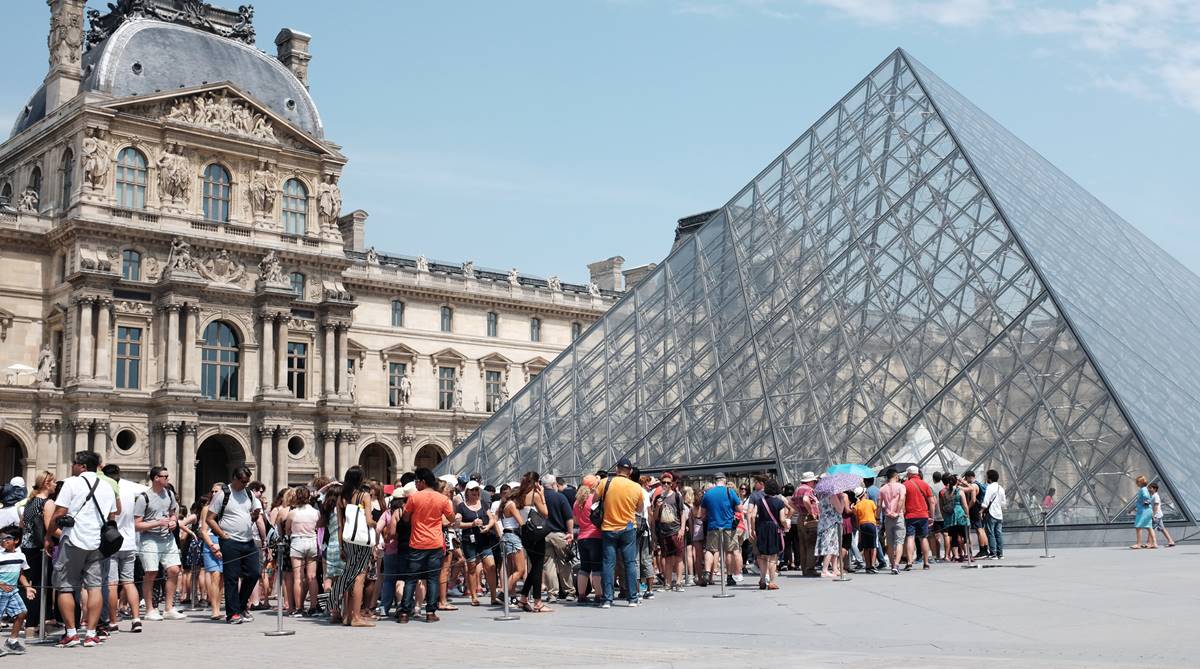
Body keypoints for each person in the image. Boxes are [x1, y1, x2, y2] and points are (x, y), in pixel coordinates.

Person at [47, 450, 118, 648]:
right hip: (98, 542)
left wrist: (48, 535)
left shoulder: (71, 482)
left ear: (82, 466)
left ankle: (71, 633)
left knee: (65, 586)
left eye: (74, 464)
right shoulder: (107, 486)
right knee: (94, 587)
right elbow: (113, 516)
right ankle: (91, 633)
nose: (72, 467)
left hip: (74, 539)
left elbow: (59, 513)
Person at [204, 465, 265, 624]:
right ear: (235, 479)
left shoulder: (249, 493)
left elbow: (250, 516)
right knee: (231, 577)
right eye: (243, 481)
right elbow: (209, 519)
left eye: (247, 481)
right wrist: (223, 535)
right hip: (230, 541)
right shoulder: (223, 494)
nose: (245, 484)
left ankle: (240, 605)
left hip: (248, 540)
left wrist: (254, 515)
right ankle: (232, 614)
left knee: (253, 573)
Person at [398, 467, 454, 623]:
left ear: (423, 482)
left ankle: (404, 613)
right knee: (432, 579)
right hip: (435, 543)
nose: (415, 484)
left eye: (417, 481)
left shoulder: (414, 498)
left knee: (411, 579)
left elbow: (406, 518)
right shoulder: (442, 499)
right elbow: (451, 518)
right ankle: (430, 613)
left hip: (417, 542)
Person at [135, 466, 186, 621]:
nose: (168, 478)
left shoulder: (169, 494)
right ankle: (150, 609)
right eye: (165, 476)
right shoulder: (144, 497)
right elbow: (137, 525)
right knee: (151, 572)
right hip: (149, 538)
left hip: (167, 537)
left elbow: (173, 514)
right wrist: (157, 523)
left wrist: (172, 521)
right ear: (156, 478)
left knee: (174, 570)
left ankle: (169, 608)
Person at [330, 467, 374, 627]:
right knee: (359, 577)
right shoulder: (364, 496)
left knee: (349, 576)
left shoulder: (341, 497)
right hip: (361, 542)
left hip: (347, 540)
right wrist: (376, 524)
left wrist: (341, 546)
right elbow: (369, 520)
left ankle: (347, 615)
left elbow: (341, 525)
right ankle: (356, 616)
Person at [598, 458, 644, 608]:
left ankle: (607, 599)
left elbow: (594, 501)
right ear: (630, 471)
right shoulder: (636, 487)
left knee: (608, 564)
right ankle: (632, 598)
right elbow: (639, 509)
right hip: (628, 528)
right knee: (630, 563)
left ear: (617, 469)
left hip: (608, 528)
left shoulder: (605, 483)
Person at [19, 471, 55, 634]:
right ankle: (36, 623)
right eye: (53, 482)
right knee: (42, 586)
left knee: (29, 585)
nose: (55, 485)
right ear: (47, 484)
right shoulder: (47, 503)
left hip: (26, 547)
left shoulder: (30, 501)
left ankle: (28, 622)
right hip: (40, 548)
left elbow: (22, 524)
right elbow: (50, 528)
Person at [455, 481, 497, 607]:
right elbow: (457, 524)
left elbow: (492, 519)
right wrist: (472, 524)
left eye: (476, 490)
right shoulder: (461, 507)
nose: (475, 492)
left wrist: (488, 526)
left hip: (484, 540)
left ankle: (493, 596)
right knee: (472, 567)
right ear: (467, 492)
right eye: (472, 490)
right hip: (469, 540)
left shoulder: (483, 504)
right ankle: (473, 596)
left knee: (491, 566)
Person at [698, 472, 742, 588]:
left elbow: (701, 513)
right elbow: (739, 509)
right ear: (724, 480)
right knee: (729, 551)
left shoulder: (708, 494)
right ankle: (729, 576)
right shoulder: (730, 492)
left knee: (710, 550)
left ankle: (707, 573)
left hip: (713, 526)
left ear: (715, 480)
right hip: (728, 526)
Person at [539, 473, 575, 602]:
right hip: (559, 534)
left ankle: (552, 594)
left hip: (544, 534)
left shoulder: (539, 498)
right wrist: (570, 533)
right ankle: (569, 591)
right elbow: (569, 517)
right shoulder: (560, 497)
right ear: (554, 484)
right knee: (565, 562)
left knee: (549, 565)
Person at [286, 486, 321, 615]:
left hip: (297, 542)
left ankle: (299, 608)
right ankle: (313, 607)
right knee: (312, 576)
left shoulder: (293, 513)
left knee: (298, 577)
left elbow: (287, 529)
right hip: (311, 541)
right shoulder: (315, 512)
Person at [0, 531, 35, 655]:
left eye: (7, 538)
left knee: (21, 613)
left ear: (16, 540)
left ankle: (12, 641)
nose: (4, 541)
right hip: (0, 592)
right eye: (2, 539)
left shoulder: (21, 556)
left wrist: (27, 587)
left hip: (13, 591)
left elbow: (21, 574)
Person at [750, 478, 788, 589]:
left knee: (762, 556)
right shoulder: (779, 502)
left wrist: (753, 529)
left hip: (761, 528)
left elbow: (752, 516)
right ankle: (771, 581)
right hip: (773, 529)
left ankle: (762, 579)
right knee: (772, 556)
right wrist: (786, 525)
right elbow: (782, 519)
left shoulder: (759, 501)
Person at [653, 471, 685, 591]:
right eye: (663, 482)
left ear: (672, 484)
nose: (666, 484)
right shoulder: (658, 497)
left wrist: (682, 529)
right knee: (666, 558)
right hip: (663, 531)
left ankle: (679, 581)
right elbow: (655, 517)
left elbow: (682, 513)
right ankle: (667, 583)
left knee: (678, 557)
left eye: (668, 483)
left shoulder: (677, 496)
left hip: (675, 530)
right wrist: (658, 507)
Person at [572, 476, 602, 602]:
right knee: (596, 567)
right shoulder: (594, 500)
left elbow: (575, 521)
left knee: (584, 567)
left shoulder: (577, 502)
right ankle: (599, 595)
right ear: (594, 486)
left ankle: (581, 595)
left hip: (582, 537)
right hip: (595, 536)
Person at [902, 466, 935, 571]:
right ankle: (926, 563)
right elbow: (932, 502)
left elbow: (902, 501)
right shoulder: (925, 484)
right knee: (923, 538)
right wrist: (932, 516)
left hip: (910, 515)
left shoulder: (905, 485)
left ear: (909, 474)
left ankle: (909, 562)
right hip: (923, 515)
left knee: (910, 538)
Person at [877, 469, 906, 575]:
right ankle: (897, 565)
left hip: (887, 518)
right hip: (898, 517)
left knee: (889, 543)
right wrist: (897, 512)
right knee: (899, 542)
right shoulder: (901, 486)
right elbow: (902, 499)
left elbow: (879, 504)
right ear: (896, 476)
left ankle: (892, 564)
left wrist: (877, 518)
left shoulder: (882, 489)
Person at [791, 472, 820, 577]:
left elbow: (790, 502)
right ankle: (810, 568)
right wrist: (811, 512)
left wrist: (799, 510)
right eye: (814, 481)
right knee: (811, 544)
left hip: (801, 518)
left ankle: (804, 568)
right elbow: (805, 499)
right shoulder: (808, 489)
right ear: (810, 481)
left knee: (802, 545)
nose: (815, 483)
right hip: (809, 519)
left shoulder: (798, 489)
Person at [939, 474, 969, 561]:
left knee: (954, 536)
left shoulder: (945, 493)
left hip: (950, 516)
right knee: (965, 536)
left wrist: (944, 516)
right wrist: (967, 515)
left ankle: (956, 555)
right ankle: (967, 554)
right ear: (956, 482)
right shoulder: (959, 491)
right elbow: (965, 505)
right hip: (960, 515)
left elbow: (942, 506)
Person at [962, 470, 989, 559]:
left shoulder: (973, 486)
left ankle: (982, 551)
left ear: (969, 477)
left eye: (966, 478)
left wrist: (967, 508)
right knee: (981, 529)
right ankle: (985, 549)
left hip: (974, 509)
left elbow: (973, 500)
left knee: (979, 530)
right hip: (979, 508)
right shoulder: (978, 484)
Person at [981, 469, 1007, 559]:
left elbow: (986, 501)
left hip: (991, 513)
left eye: (986, 476)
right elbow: (1003, 503)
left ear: (989, 478)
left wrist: (981, 510)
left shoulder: (990, 487)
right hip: (999, 514)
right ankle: (1000, 554)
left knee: (991, 533)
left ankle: (993, 553)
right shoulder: (1001, 488)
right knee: (998, 533)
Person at [853, 486, 879, 574]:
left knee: (866, 547)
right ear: (864, 494)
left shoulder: (856, 506)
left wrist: (859, 528)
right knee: (873, 546)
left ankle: (867, 566)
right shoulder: (871, 502)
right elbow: (875, 514)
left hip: (862, 525)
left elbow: (856, 519)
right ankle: (873, 565)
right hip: (871, 524)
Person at [1147, 482, 1174, 549]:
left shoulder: (1156, 496)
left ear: (1154, 489)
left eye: (1150, 488)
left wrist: (1153, 515)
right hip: (1158, 515)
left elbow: (1156, 506)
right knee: (1162, 529)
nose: (1149, 489)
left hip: (1156, 515)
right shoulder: (1153, 496)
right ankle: (1170, 541)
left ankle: (1151, 543)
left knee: (1151, 528)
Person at [1132, 476, 1152, 549]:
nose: (1136, 483)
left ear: (1141, 482)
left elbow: (1146, 498)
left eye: (1137, 482)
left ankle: (1138, 544)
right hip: (1147, 510)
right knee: (1148, 526)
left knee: (1138, 526)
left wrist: (1143, 505)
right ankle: (1149, 543)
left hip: (1143, 510)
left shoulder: (1143, 490)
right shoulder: (1145, 489)